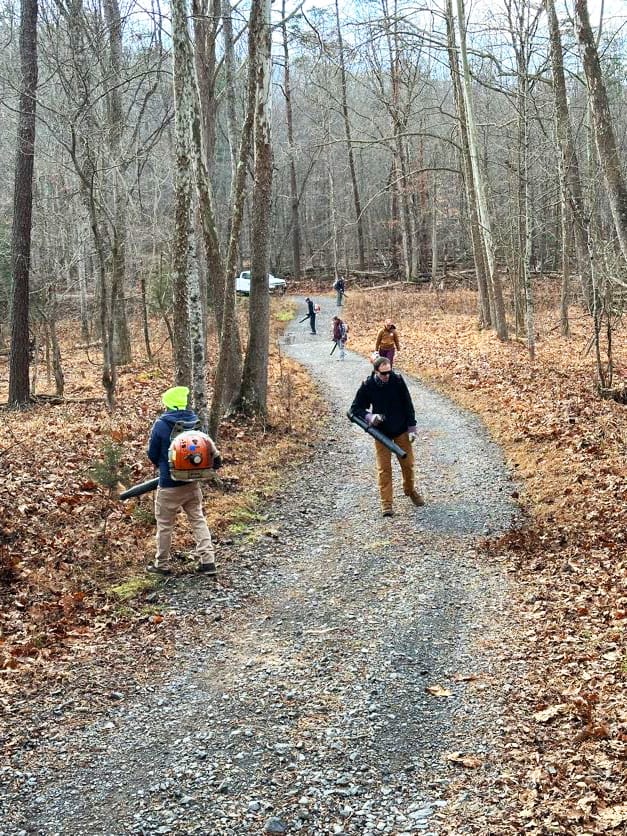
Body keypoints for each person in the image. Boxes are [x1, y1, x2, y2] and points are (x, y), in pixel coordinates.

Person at [147, 386, 221, 576]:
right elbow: (207, 445)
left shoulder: (161, 424)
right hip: (192, 483)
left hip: (169, 485)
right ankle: (208, 561)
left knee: (164, 525)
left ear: (168, 404)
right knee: (198, 519)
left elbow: (152, 454)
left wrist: (163, 465)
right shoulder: (194, 422)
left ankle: (161, 564)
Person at [350, 356, 424, 517]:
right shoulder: (368, 385)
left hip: (401, 429)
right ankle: (387, 504)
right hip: (381, 433)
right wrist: (370, 417)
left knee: (408, 464)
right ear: (376, 371)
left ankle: (410, 490)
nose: (387, 376)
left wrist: (412, 427)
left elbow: (408, 404)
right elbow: (355, 409)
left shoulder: (397, 381)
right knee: (384, 469)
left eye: (389, 372)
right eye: (383, 373)